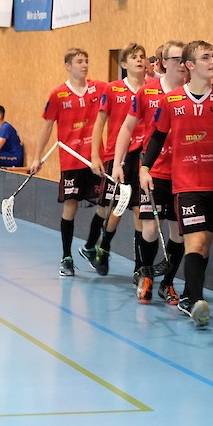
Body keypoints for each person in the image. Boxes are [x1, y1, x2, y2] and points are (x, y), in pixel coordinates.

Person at [140, 39, 213, 326]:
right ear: (190, 65)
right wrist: (145, 167)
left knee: (204, 246)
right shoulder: (172, 101)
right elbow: (158, 136)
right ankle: (196, 300)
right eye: (206, 57)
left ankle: (188, 294)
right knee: (194, 242)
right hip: (186, 184)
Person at [113, 40, 187, 305]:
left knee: (178, 233)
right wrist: (117, 163)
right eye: (176, 59)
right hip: (153, 171)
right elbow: (127, 128)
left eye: (184, 58)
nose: (182, 64)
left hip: (184, 173)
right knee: (150, 229)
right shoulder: (147, 92)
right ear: (164, 63)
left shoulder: (191, 90)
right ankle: (145, 276)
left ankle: (167, 283)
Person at [30, 48, 107, 277]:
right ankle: (66, 257)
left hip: (95, 159)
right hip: (71, 160)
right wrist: (37, 157)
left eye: (86, 61)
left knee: (105, 206)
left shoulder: (99, 88)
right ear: (68, 66)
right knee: (70, 206)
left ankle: (90, 246)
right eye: (79, 61)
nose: (85, 65)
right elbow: (47, 127)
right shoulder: (58, 94)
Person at [82, 43, 147, 277]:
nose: (139, 60)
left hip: (142, 157)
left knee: (140, 210)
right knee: (112, 210)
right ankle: (103, 246)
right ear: (123, 64)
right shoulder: (112, 89)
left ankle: (140, 266)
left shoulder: (152, 89)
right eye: (134, 57)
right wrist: (95, 156)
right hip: (116, 157)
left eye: (142, 57)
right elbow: (99, 123)